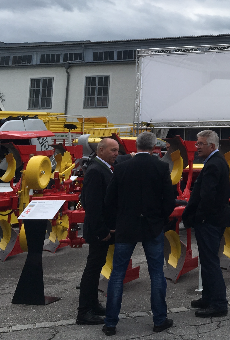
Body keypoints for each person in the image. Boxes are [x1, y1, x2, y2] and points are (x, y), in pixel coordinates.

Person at [102, 132, 176, 336]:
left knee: (117, 274)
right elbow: (169, 200)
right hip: (152, 226)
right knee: (156, 274)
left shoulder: (122, 167)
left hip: (127, 226)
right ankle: (159, 319)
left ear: (136, 145)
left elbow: (109, 200)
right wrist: (160, 219)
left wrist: (120, 218)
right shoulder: (161, 167)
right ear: (154, 147)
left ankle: (110, 323)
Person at [182, 130, 230, 318]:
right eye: (197, 144)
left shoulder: (213, 164)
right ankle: (208, 297)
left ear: (211, 146)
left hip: (209, 222)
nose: (197, 147)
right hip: (214, 220)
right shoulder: (216, 161)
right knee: (207, 260)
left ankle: (218, 303)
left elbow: (207, 196)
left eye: (200, 144)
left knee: (210, 262)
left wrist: (199, 218)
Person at [76, 138, 120, 325]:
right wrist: (102, 231)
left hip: (101, 229)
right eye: (113, 150)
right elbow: (92, 205)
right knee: (92, 269)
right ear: (101, 150)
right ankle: (84, 311)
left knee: (96, 267)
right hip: (98, 231)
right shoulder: (96, 171)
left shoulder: (102, 168)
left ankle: (93, 304)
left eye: (117, 150)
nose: (116, 154)